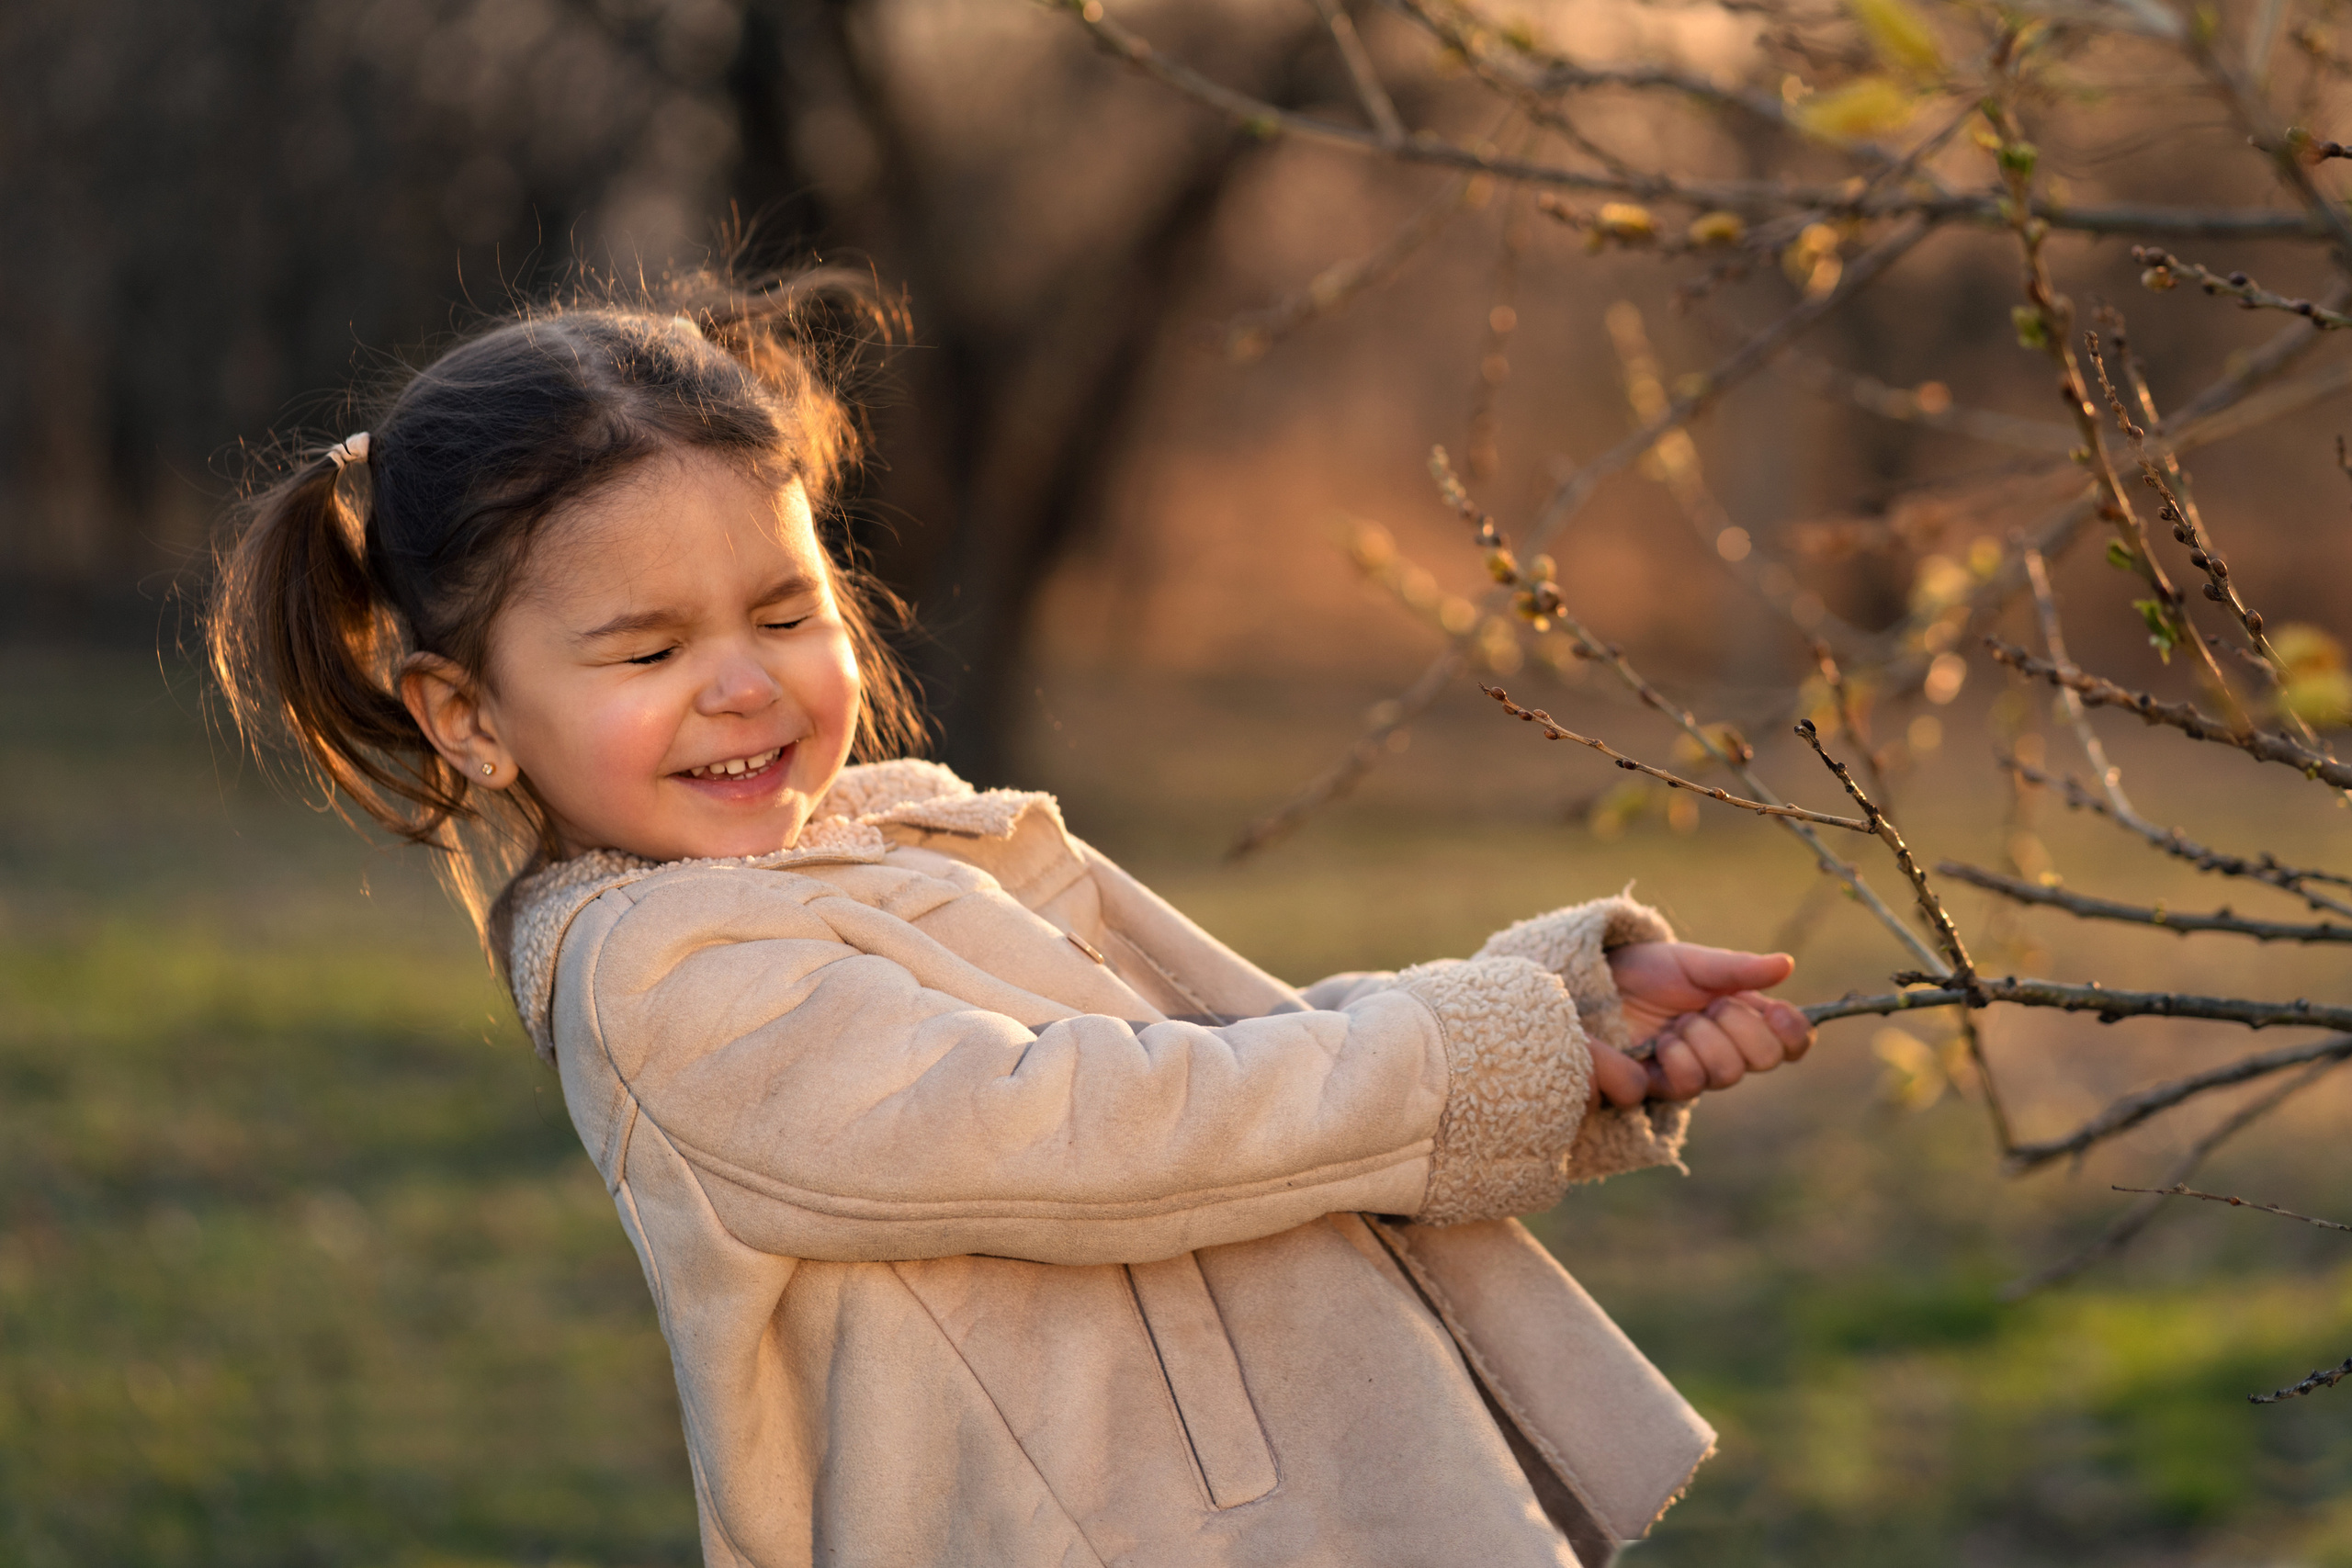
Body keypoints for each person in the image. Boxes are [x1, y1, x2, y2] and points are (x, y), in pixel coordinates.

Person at [209, 272, 1815, 1568]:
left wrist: (1559, 1019)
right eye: (645, 651)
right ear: (468, 715)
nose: (746, 681)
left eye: (785, 609)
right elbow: (1089, 1123)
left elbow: (1218, 1059)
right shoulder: (665, 984)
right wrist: (1474, 1056)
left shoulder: (890, 842)